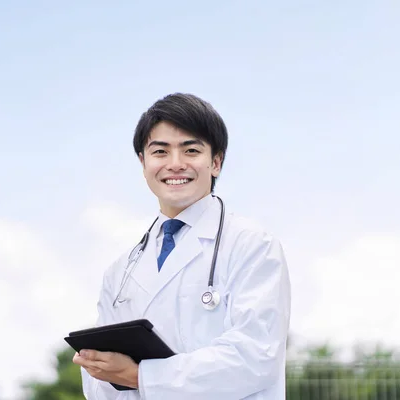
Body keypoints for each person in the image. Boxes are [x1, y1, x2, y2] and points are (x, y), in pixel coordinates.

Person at [72, 93, 291, 399]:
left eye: (190, 150)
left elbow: (255, 357)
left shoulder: (252, 245)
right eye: (160, 151)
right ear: (143, 162)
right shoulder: (120, 271)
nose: (175, 164)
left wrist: (140, 376)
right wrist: (101, 367)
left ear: (216, 162)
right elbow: (98, 385)